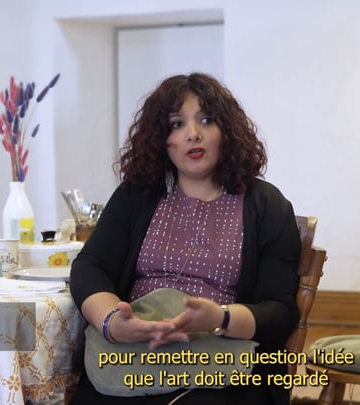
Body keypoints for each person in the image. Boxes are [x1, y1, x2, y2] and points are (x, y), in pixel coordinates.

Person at [69, 72, 301, 405]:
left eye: (206, 120)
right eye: (177, 124)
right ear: (161, 140)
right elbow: (91, 265)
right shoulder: (137, 195)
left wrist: (220, 318)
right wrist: (112, 324)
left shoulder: (267, 206)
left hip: (225, 362)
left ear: (227, 131)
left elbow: (280, 311)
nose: (193, 134)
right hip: (135, 353)